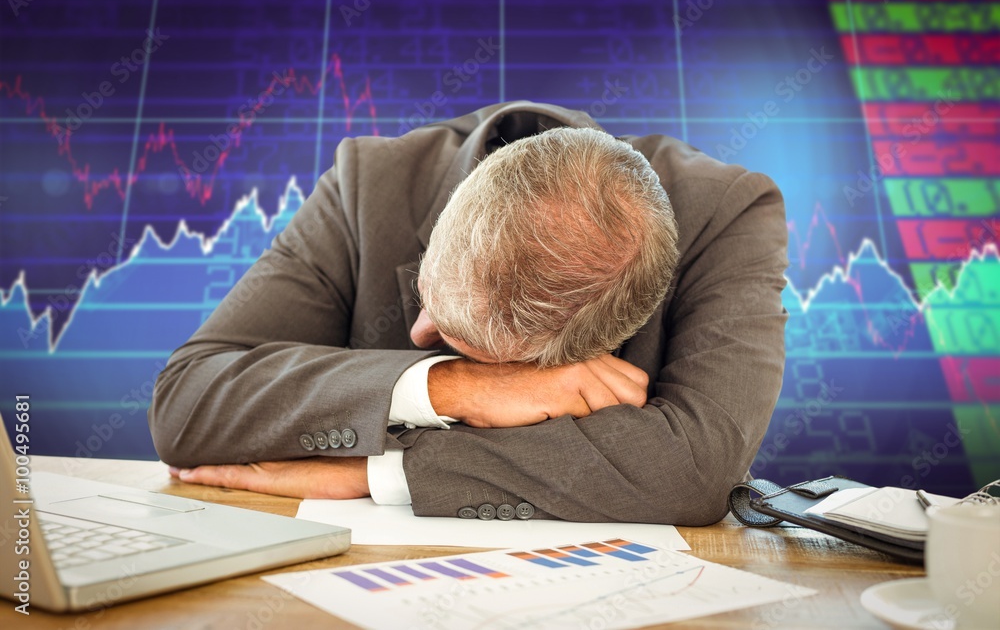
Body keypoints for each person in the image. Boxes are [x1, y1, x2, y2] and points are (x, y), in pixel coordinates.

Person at [148, 101, 788, 525]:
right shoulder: (368, 185)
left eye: (457, 346)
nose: (418, 333)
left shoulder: (729, 212)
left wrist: (379, 472)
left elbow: (696, 471)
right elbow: (186, 403)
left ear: (577, 348)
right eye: (430, 292)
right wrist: (456, 385)